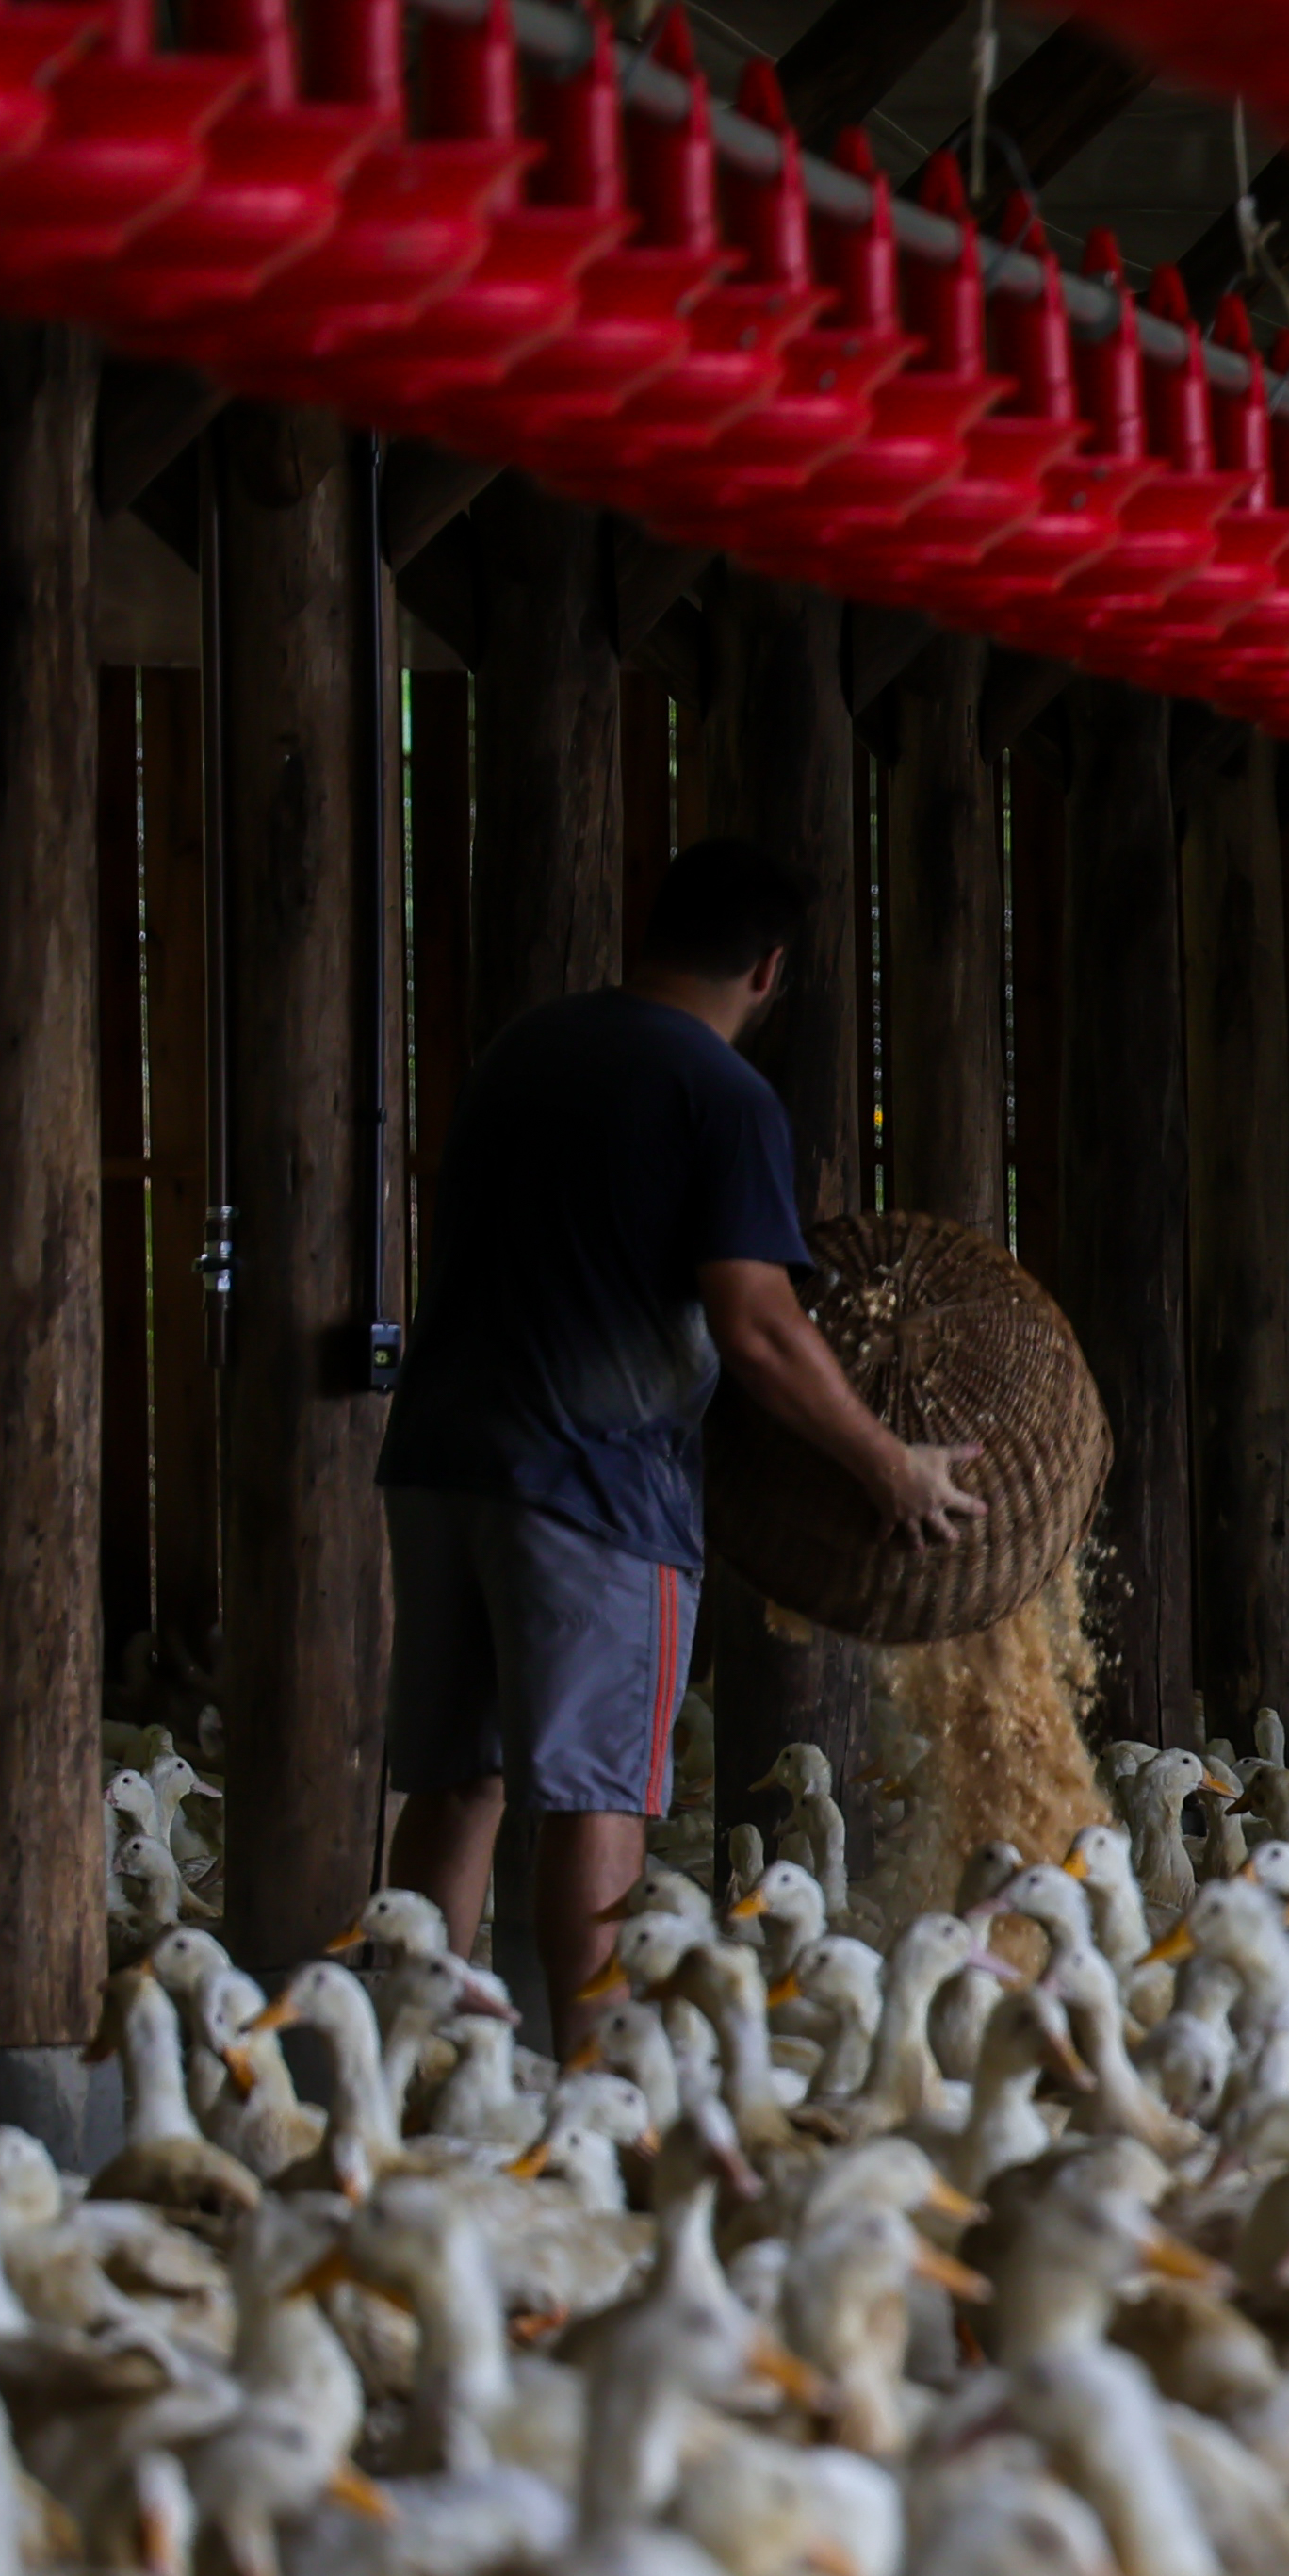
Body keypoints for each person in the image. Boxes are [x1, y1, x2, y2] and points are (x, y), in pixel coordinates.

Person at [378, 839, 981, 2031]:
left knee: (458, 1781)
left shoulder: (523, 1052)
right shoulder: (721, 1095)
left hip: (443, 1459)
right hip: (591, 1485)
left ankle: (416, 2064)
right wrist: (885, 1459)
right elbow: (754, 1325)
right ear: (769, 969)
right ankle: (599, 2085)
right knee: (599, 1796)